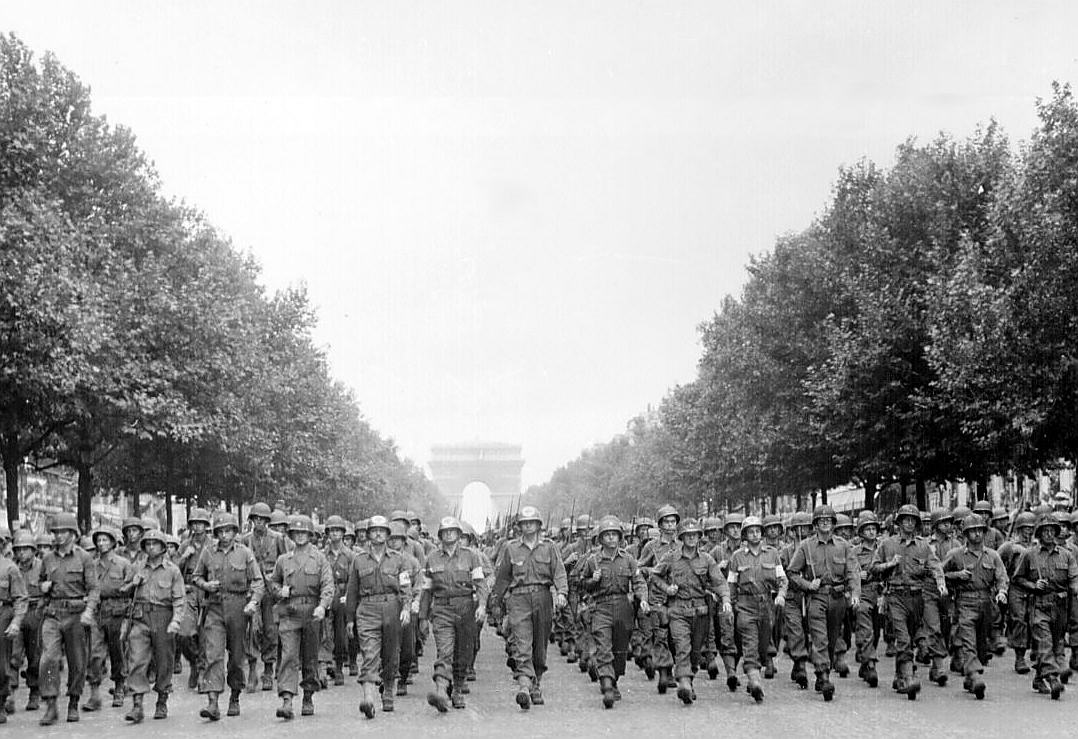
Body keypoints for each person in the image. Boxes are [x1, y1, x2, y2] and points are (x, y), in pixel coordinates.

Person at [491, 506, 567, 709]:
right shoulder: (511, 548)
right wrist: (495, 602)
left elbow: (559, 572)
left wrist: (561, 593)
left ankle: (536, 683)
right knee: (521, 642)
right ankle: (524, 685)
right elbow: (503, 577)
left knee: (539, 646)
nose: (528, 526)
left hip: (542, 597)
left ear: (539, 525)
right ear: (520, 526)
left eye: (532, 522)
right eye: (524, 523)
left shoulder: (549, 547)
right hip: (519, 599)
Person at [650, 518, 731, 705]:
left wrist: (725, 599)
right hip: (678, 610)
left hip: (700, 612)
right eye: (688, 535)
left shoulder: (707, 559)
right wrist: (666, 588)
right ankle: (684, 682)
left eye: (695, 535)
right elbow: (655, 575)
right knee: (682, 647)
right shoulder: (671, 557)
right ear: (682, 537)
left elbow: (719, 582)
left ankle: (689, 678)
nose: (692, 538)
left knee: (695, 652)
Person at [192, 512, 264, 720]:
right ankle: (213, 701)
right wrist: (206, 585)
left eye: (228, 531)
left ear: (235, 532)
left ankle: (235, 695)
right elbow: (196, 576)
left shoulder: (245, 553)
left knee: (236, 656)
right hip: (214, 607)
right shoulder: (208, 552)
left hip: (238, 607)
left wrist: (253, 602)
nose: (224, 535)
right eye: (221, 531)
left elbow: (258, 581)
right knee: (213, 654)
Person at [870, 504, 944, 700]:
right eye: (905, 519)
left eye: (913, 520)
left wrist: (940, 583)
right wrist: (890, 564)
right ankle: (908, 677)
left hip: (917, 597)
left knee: (912, 636)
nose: (909, 523)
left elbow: (935, 566)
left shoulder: (923, 546)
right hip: (895, 596)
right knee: (902, 638)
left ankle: (899, 674)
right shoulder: (887, 545)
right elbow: (874, 568)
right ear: (899, 523)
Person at [787, 504, 860, 702]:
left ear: (834, 524)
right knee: (820, 637)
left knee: (832, 637)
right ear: (816, 524)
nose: (825, 523)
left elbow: (853, 572)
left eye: (829, 520)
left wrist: (855, 594)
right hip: (817, 596)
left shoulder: (844, 546)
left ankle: (822, 669)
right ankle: (824, 675)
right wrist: (808, 585)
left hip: (838, 598)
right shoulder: (806, 547)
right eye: (821, 520)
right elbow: (792, 572)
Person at [344, 515, 414, 718]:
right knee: (369, 652)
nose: (377, 534)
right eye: (374, 531)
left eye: (382, 531)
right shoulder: (359, 560)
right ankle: (368, 697)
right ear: (367, 535)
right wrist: (350, 619)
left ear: (387, 535)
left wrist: (406, 608)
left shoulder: (399, 559)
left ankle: (389, 690)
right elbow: (352, 591)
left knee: (391, 654)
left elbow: (405, 587)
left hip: (392, 607)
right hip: (367, 609)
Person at [420, 517, 489, 712]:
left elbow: (480, 584)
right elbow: (426, 590)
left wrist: (482, 606)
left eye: (453, 531)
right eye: (445, 531)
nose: (449, 534)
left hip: (466, 608)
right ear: (440, 535)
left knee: (463, 652)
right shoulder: (432, 558)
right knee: (445, 651)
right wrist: (423, 617)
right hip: (442, 609)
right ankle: (441, 691)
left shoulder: (471, 556)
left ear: (459, 535)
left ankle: (457, 689)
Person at [268, 515, 334, 720]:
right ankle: (287, 700)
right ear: (291, 535)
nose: (300, 536)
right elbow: (273, 584)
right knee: (288, 655)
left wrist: (323, 606)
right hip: (290, 612)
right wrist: (280, 592)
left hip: (312, 613)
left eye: (304, 533)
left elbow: (328, 585)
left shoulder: (319, 558)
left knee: (310, 657)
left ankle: (308, 695)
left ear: (310, 535)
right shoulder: (283, 560)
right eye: (296, 533)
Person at [579, 515, 648, 708]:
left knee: (620, 649)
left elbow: (638, 582)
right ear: (600, 539)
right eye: (606, 535)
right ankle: (606, 683)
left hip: (623, 606)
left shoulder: (628, 559)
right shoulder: (593, 561)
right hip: (601, 607)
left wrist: (642, 599)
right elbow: (583, 585)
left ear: (620, 537)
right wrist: (593, 580)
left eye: (614, 535)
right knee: (603, 646)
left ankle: (614, 678)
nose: (610, 538)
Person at [37, 512, 99, 725]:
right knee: (48, 659)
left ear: (73, 533)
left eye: (64, 531)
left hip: (76, 615)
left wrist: (89, 611)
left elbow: (93, 589)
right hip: (53, 614)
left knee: (77, 661)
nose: (59, 536)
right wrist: (43, 588)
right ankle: (51, 704)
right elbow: (41, 583)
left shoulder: (84, 558)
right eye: (56, 532)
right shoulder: (47, 558)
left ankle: (73, 701)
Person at [941, 514, 1008, 700]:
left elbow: (1002, 577)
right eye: (973, 531)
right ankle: (974, 674)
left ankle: (970, 677)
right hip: (965, 602)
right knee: (968, 640)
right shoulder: (955, 555)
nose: (977, 534)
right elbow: (939, 573)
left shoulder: (993, 555)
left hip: (987, 602)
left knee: (981, 643)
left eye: (980, 530)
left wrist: (1002, 591)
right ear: (965, 534)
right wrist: (956, 575)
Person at [1012, 514, 1078, 699]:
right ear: (1039, 533)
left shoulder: (1067, 555)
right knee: (1044, 642)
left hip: (1060, 606)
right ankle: (1053, 678)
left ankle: (1039, 677)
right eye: (1045, 531)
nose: (1049, 534)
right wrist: (1033, 586)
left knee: (1056, 643)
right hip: (1039, 605)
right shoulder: (1029, 554)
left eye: (1052, 530)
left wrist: (1075, 589)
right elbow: (1017, 579)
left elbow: (1074, 579)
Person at [123, 528, 185, 722]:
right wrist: (133, 583)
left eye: (154, 544)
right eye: (147, 544)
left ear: (163, 547)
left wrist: (176, 620)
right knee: (137, 659)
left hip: (163, 617)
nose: (150, 548)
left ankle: (162, 700)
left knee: (164, 661)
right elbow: (123, 590)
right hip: (141, 617)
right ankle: (137, 704)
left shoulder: (172, 570)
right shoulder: (137, 567)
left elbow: (179, 598)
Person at [726, 515, 787, 703]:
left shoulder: (772, 554)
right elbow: (731, 585)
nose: (755, 534)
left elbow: (782, 579)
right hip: (745, 605)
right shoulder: (737, 557)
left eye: (758, 531)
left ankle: (754, 672)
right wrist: (729, 605)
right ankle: (754, 680)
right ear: (745, 535)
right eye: (751, 531)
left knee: (763, 646)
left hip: (767, 605)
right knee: (749, 643)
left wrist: (781, 595)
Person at [241, 501, 289, 691]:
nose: (259, 522)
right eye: (256, 519)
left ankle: (268, 669)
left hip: (271, 593)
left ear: (267, 521)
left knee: (271, 631)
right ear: (252, 520)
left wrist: (280, 584)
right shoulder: (246, 540)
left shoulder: (277, 539)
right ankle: (252, 668)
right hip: (253, 590)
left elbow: (286, 562)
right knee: (252, 630)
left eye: (262, 519)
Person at [85, 525, 132, 712]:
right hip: (98, 611)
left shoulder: (123, 564)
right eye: (99, 540)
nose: (101, 543)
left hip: (118, 611)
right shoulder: (91, 565)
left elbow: (131, 590)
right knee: (94, 653)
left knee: (117, 652)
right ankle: (94, 693)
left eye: (105, 540)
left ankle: (119, 687)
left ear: (113, 542)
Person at [637, 505, 680, 691]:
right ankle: (664, 671)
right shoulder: (651, 547)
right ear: (660, 525)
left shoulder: (682, 545)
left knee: (676, 637)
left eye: (673, 522)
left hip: (679, 599)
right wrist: (649, 572)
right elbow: (638, 569)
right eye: (667, 522)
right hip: (658, 598)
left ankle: (671, 668)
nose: (670, 526)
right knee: (661, 635)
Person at [176, 507, 213, 689]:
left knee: (205, 634)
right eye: (195, 523)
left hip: (206, 590)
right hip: (189, 591)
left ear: (206, 526)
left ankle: (202, 670)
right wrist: (184, 556)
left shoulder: (212, 544)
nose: (198, 527)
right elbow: (174, 570)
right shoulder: (184, 544)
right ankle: (193, 661)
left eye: (201, 523)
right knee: (184, 634)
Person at [9, 531, 42, 711]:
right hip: (17, 612)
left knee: (35, 656)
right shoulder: (12, 569)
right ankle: (10, 693)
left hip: (36, 613)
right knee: (13, 655)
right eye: (19, 550)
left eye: (25, 549)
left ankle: (34, 692)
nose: (22, 553)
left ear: (33, 550)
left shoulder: (42, 567)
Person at [322, 515, 354, 687]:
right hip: (327, 595)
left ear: (343, 533)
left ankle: (340, 666)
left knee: (341, 634)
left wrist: (348, 596)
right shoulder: (322, 555)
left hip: (342, 595)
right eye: (331, 530)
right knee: (326, 632)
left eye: (337, 530)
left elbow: (353, 579)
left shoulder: (350, 555)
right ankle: (328, 664)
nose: (334, 534)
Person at [852, 511, 882, 687]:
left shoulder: (884, 548)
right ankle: (870, 665)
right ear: (861, 532)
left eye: (873, 528)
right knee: (865, 628)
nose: (871, 532)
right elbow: (848, 571)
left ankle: (865, 662)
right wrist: (857, 575)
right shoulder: (854, 552)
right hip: (863, 592)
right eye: (867, 529)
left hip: (880, 592)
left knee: (877, 631)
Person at [0, 539, 27, 725]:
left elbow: (20, 598)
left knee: (1, 664)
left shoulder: (9, 568)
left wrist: (16, 622)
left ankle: (1, 702)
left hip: (2, 614)